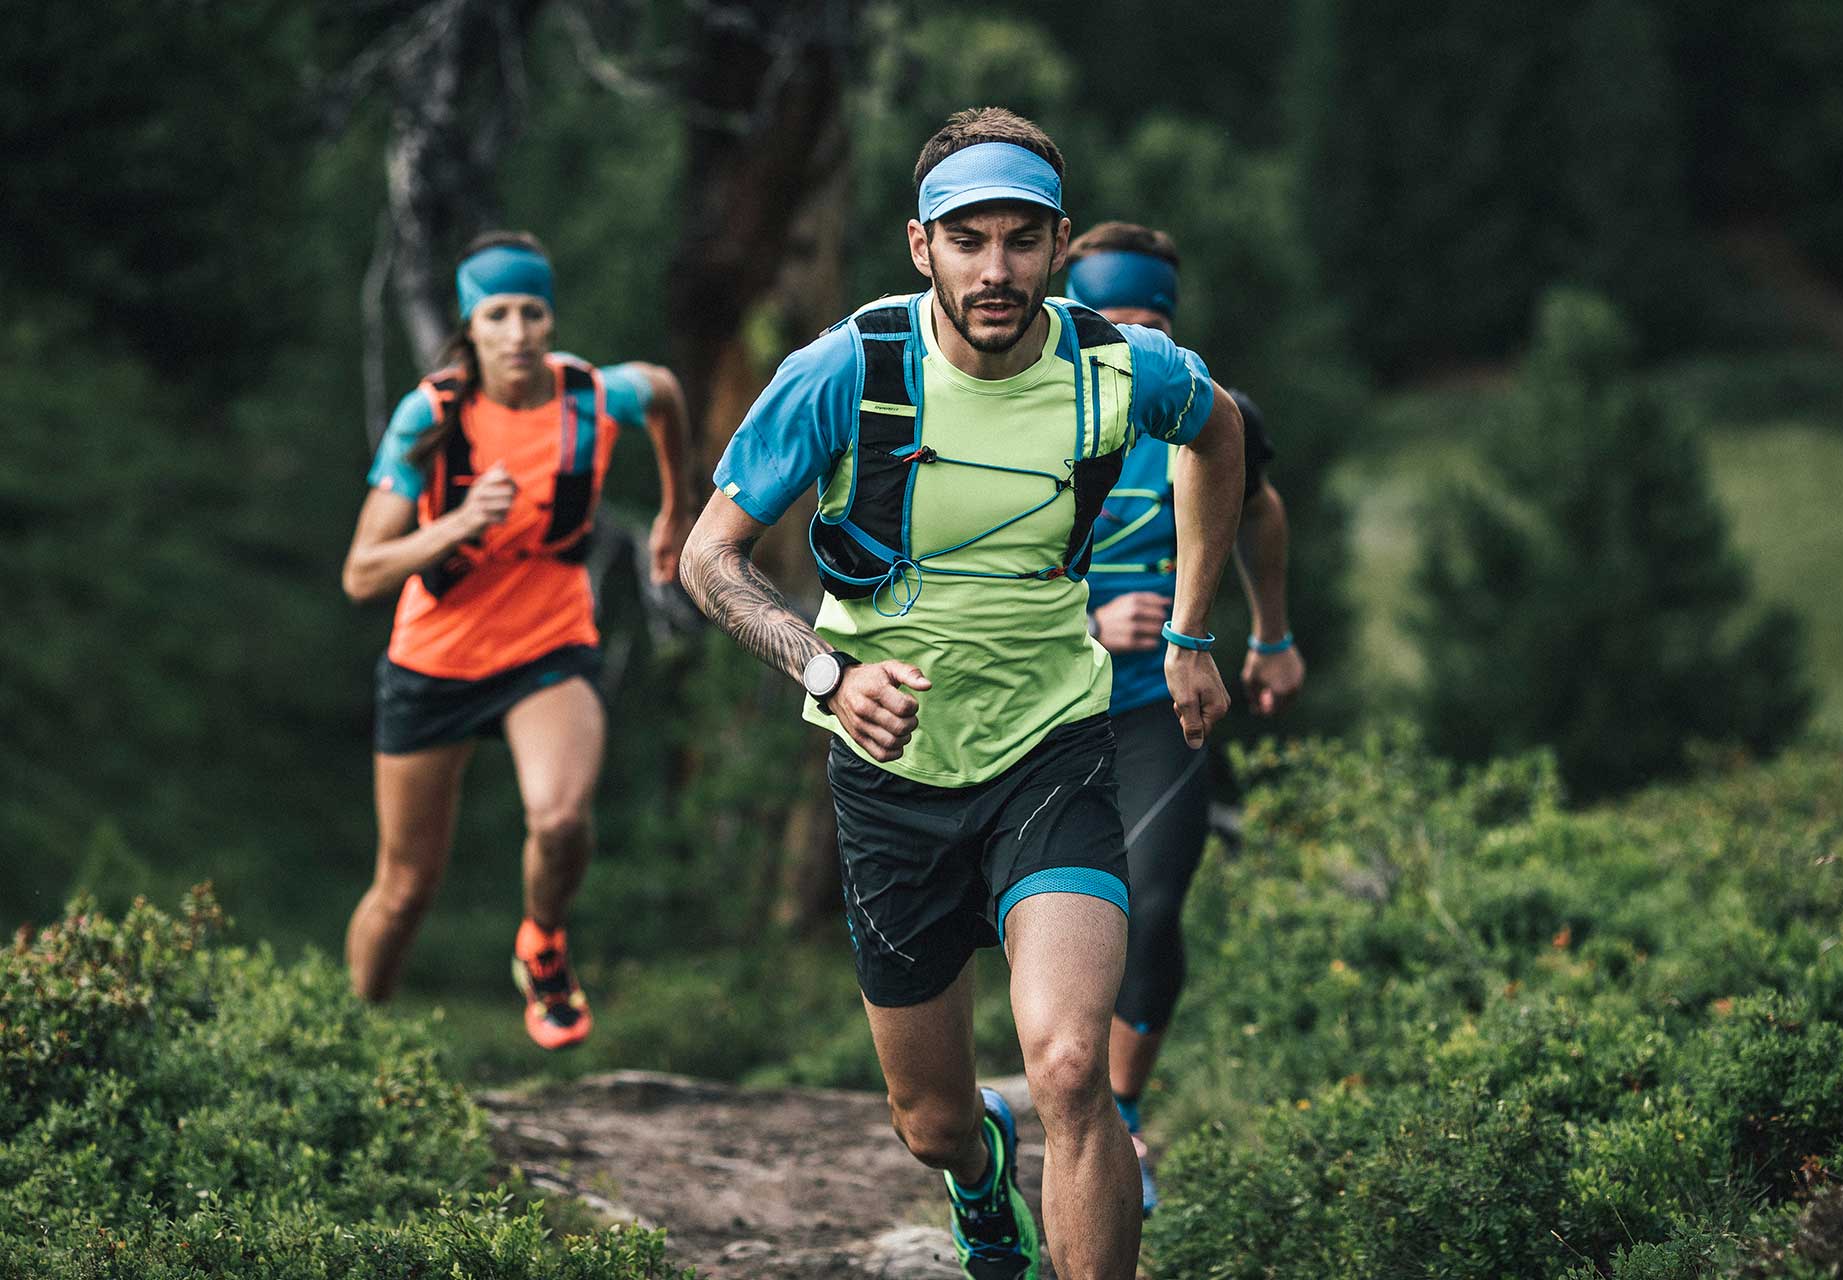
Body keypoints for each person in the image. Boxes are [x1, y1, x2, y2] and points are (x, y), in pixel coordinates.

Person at [680, 108, 1245, 1280]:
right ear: (919, 244)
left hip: (1054, 748)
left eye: (1023, 239)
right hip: (891, 775)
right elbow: (707, 557)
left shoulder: (1117, 365)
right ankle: (981, 1176)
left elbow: (1221, 428)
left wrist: (1193, 628)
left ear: (1059, 240)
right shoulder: (848, 368)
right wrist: (828, 670)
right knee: (931, 1117)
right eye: (968, 238)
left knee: (1073, 1065)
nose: (997, 269)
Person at [340, 231, 696, 1050]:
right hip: (434, 662)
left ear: (549, 316)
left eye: (532, 311)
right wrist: (460, 521)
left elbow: (667, 391)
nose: (518, 331)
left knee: (562, 818)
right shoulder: (430, 416)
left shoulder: (593, 399)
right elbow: (363, 573)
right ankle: (353, 1046)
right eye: (497, 314)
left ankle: (542, 945)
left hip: (546, 646)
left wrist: (679, 509)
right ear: (473, 325)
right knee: (403, 889)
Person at [1064, 222, 1307, 1213]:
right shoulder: (1019, 414)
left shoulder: (1209, 414)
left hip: (1158, 710)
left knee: (1153, 909)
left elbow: (1260, 510)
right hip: (1040, 714)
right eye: (1109, 319)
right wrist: (1089, 617)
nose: (1130, 336)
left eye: (1150, 319)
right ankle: (1048, 1096)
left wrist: (1272, 633)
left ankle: (1118, 1109)